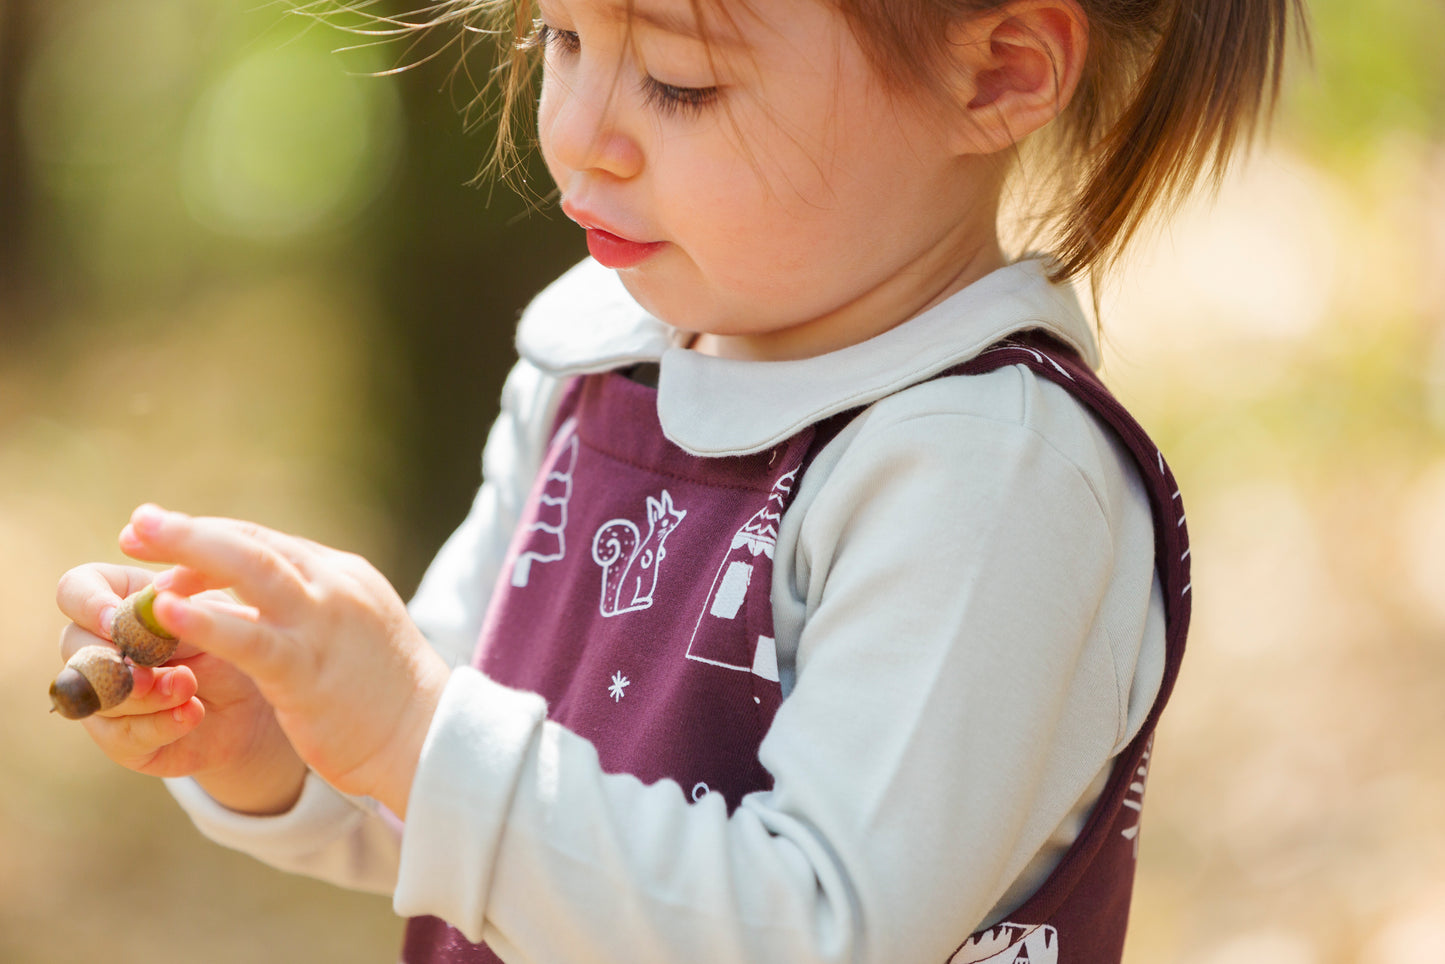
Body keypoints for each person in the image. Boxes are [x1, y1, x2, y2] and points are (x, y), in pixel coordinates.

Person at [54, 0, 1304, 961]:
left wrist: (411, 730)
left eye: (677, 80)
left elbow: (815, 926)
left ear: (998, 71)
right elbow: (455, 804)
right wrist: (287, 736)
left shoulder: (987, 476)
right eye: (560, 37)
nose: (576, 133)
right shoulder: (590, 358)